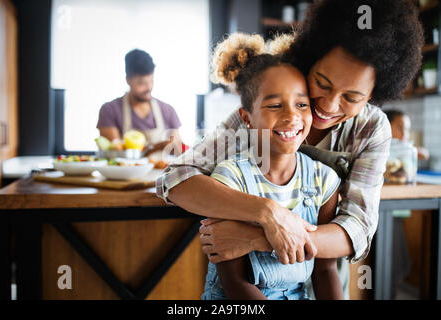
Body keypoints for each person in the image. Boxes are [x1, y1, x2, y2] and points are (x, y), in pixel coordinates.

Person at [156, 0, 423, 299]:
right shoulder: (270, 105)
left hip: (324, 282)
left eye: (351, 97)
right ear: (311, 59)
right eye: (322, 83)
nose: (329, 105)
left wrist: (260, 237)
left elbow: (357, 229)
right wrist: (268, 213)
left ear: (374, 95)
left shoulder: (372, 128)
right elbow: (175, 179)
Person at [201, 32, 342, 300]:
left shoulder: (323, 180)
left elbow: (325, 271)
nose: (291, 116)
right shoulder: (231, 179)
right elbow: (234, 283)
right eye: (275, 105)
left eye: (301, 104)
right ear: (247, 118)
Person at [97, 49, 183, 156]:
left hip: (162, 172)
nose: (149, 88)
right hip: (126, 173)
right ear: (128, 80)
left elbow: (178, 150)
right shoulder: (109, 110)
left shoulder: (168, 110)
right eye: (141, 83)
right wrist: (157, 147)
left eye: (151, 81)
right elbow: (116, 152)